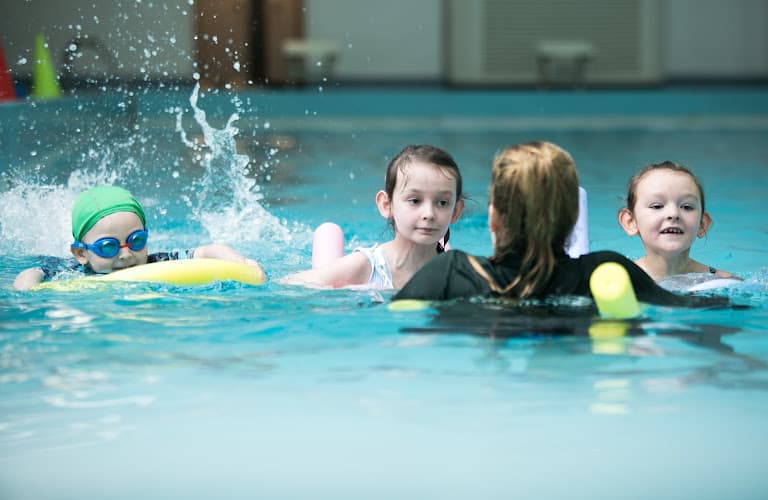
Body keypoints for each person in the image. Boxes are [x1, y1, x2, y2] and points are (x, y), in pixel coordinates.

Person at [393, 141, 715, 306]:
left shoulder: (449, 274)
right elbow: (695, 312)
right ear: (574, 218)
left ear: (494, 216)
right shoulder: (606, 273)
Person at [280, 144, 464, 289]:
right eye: (415, 200)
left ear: (456, 211)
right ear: (386, 205)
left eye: (442, 203)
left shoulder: (459, 273)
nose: (429, 214)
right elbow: (289, 284)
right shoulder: (366, 267)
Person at [13, 185, 265, 290]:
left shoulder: (155, 263)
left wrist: (242, 264)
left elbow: (208, 250)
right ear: (81, 254)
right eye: (108, 247)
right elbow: (33, 273)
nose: (125, 254)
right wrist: (28, 288)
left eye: (135, 241)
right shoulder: (72, 271)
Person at [617, 161, 738, 281]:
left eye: (687, 207)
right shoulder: (617, 281)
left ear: (702, 224)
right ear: (630, 222)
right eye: (657, 206)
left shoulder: (724, 282)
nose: (673, 214)